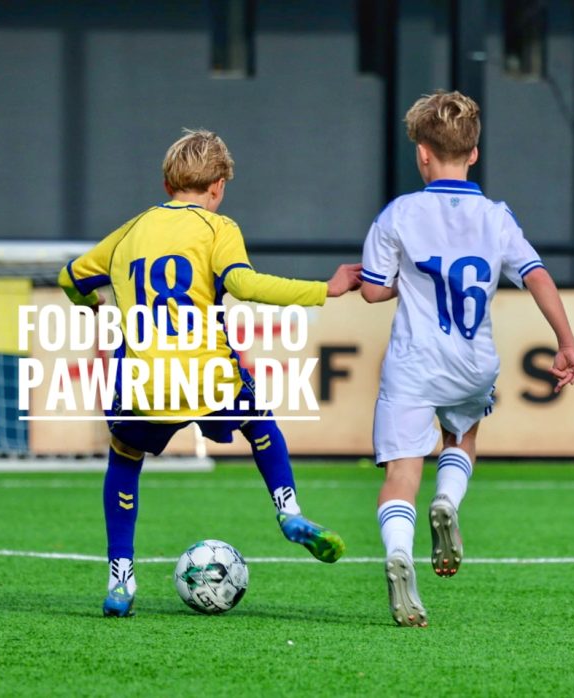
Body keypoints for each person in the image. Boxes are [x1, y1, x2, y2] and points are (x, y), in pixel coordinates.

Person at [58, 129, 362, 617]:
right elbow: (244, 283)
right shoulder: (218, 228)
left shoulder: (130, 232)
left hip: (145, 383)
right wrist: (325, 289)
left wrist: (89, 300)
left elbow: (69, 276)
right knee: (257, 421)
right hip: (206, 375)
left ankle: (121, 579)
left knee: (125, 456)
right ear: (218, 187)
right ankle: (288, 511)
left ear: (166, 183)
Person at [359, 91, 574, 627]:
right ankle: (448, 502)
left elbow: (372, 290)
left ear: (422, 154)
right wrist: (566, 341)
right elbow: (536, 276)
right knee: (462, 438)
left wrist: (398, 282)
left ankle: (398, 551)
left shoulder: (399, 214)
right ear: (474, 154)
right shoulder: (496, 217)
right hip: (472, 363)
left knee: (401, 472)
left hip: (414, 363)